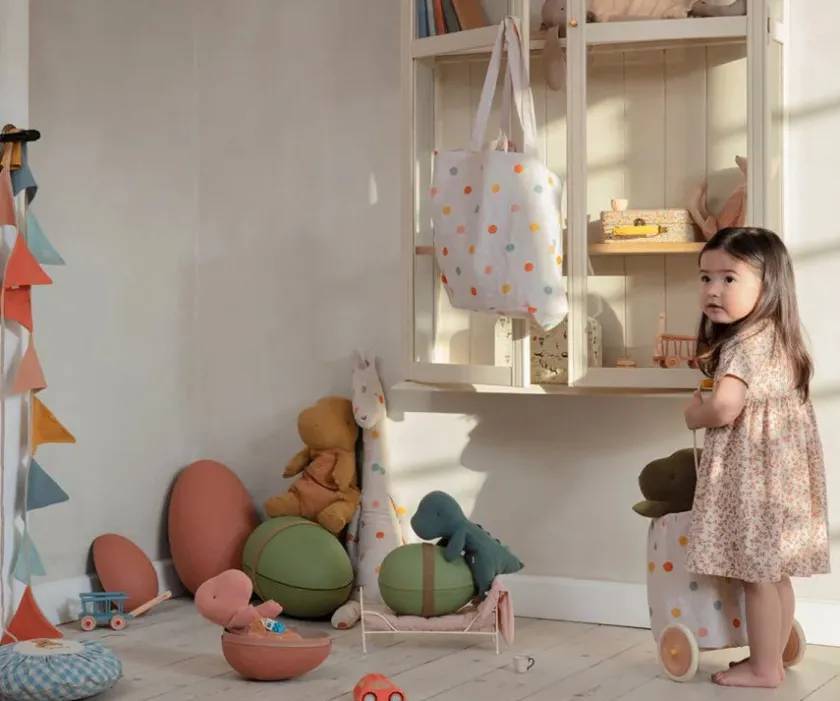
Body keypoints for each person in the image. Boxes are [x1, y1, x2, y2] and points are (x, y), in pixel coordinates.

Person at [683, 227, 830, 688]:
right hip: (782, 479)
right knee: (775, 573)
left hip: (755, 480)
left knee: (757, 577)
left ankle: (765, 667)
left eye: (729, 278)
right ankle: (772, 657)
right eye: (706, 278)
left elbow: (725, 407)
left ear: (769, 286)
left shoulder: (743, 344)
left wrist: (694, 414)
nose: (713, 290)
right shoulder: (780, 337)